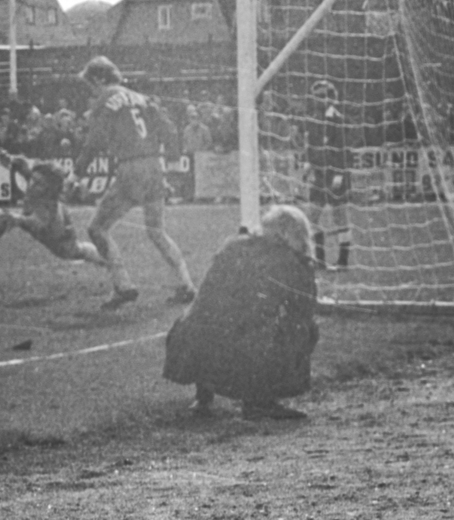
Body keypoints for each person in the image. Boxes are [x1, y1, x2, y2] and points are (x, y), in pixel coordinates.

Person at [163, 204, 318, 420]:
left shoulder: (234, 244)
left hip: (188, 339)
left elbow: (207, 297)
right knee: (304, 329)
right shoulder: (291, 260)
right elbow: (304, 308)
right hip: (243, 346)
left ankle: (203, 396)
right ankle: (260, 400)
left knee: (210, 318)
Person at [71, 55, 196, 310]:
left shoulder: (105, 100)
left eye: (90, 84)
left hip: (130, 168)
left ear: (98, 79)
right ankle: (186, 284)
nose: (90, 90)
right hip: (153, 166)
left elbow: (94, 141)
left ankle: (123, 285)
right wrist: (171, 161)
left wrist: (76, 174)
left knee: (97, 229)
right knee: (156, 230)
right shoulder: (141, 97)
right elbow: (169, 128)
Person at [0, 154, 107, 266]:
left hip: (57, 232)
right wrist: (10, 160)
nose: (32, 184)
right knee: (74, 250)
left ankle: (106, 259)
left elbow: (39, 224)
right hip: (49, 211)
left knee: (71, 252)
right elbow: (25, 168)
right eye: (34, 179)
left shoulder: (49, 210)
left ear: (49, 189)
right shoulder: (40, 182)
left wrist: (18, 219)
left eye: (38, 183)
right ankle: (101, 256)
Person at [301, 79, 353, 269]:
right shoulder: (314, 119)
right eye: (316, 97)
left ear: (331, 98)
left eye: (322, 96)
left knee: (339, 218)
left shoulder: (338, 120)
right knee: (312, 217)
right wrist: (308, 164)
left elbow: (344, 150)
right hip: (320, 175)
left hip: (336, 176)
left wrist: (339, 174)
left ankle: (342, 261)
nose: (319, 100)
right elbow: (311, 146)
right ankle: (319, 259)